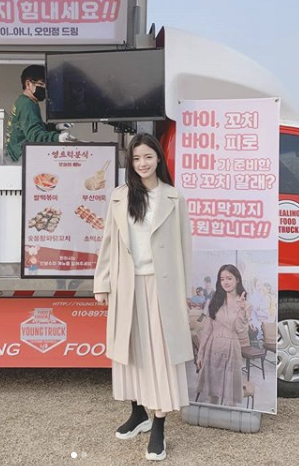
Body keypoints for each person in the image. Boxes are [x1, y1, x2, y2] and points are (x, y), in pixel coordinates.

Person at [94, 133, 193, 462]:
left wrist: (185, 293)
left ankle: (159, 427)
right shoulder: (120, 197)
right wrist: (102, 283)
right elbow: (109, 243)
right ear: (130, 163)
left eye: (148, 157)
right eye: (136, 159)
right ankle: (138, 413)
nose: (142, 164)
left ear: (158, 159)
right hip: (127, 285)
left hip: (162, 287)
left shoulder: (174, 198)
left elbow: (184, 249)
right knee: (130, 351)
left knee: (161, 356)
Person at [195, 264, 251, 407]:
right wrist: (200, 354)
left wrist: (243, 311)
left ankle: (230, 417)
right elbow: (207, 329)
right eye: (222, 279)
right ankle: (213, 414)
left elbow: (240, 330)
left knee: (231, 388)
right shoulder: (216, 300)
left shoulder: (244, 303)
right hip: (213, 347)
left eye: (229, 278)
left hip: (232, 348)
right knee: (212, 387)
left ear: (237, 279)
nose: (225, 282)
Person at [5, 65, 74, 162]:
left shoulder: (23, 101)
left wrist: (55, 127)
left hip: (18, 155)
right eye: (41, 84)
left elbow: (35, 126)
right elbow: (35, 136)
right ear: (28, 84)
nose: (44, 89)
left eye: (46, 86)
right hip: (22, 158)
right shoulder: (27, 104)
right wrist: (57, 138)